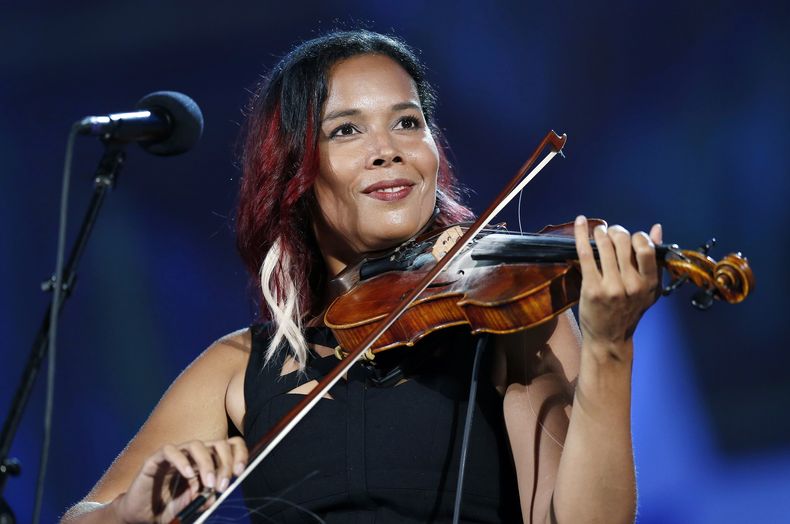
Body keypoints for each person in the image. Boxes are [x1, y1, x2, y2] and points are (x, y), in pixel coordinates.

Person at [62, 29, 662, 523]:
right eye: (346, 130)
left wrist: (610, 349)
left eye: (408, 122)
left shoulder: (506, 320)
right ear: (296, 173)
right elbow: (83, 514)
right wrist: (131, 514)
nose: (388, 149)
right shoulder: (238, 366)